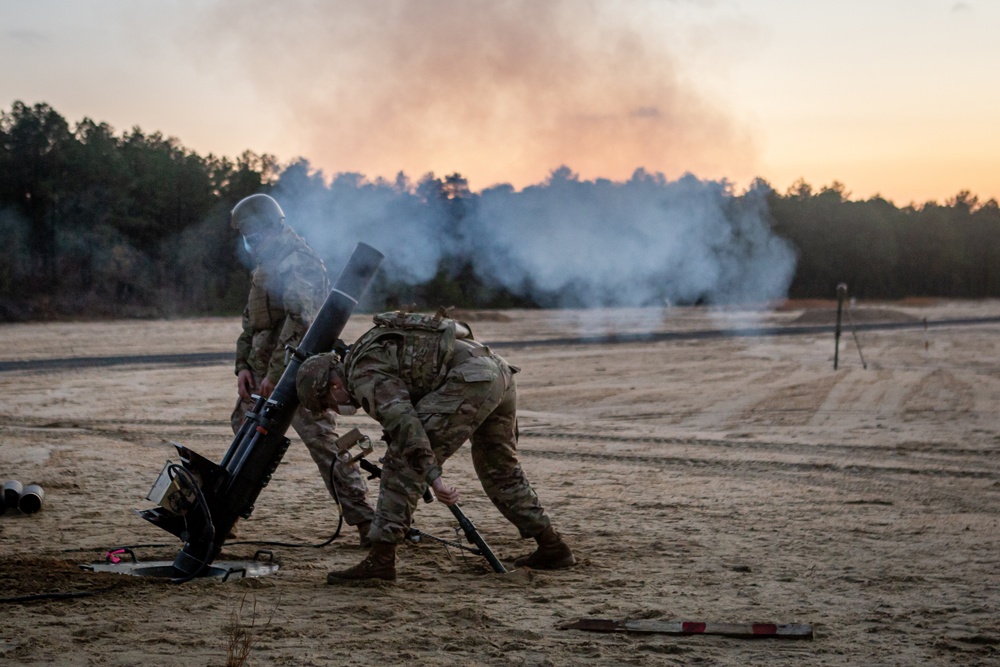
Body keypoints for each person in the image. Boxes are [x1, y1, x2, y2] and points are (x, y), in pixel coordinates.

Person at [296, 309, 576, 582]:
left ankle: (380, 561)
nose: (337, 408)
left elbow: (406, 425)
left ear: (333, 385)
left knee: (402, 463)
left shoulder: (362, 373)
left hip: (471, 378)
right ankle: (552, 546)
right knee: (499, 467)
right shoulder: (369, 352)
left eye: (329, 404)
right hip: (496, 370)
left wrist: (434, 478)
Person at [230, 193, 374, 545]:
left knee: (323, 444)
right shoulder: (266, 264)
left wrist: (277, 375)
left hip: (300, 374)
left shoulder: (298, 262)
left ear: (275, 227)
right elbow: (254, 325)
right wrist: (243, 367)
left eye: (258, 234)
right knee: (244, 435)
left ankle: (367, 524)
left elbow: (301, 324)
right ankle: (224, 513)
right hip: (266, 374)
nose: (254, 242)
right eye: (248, 237)